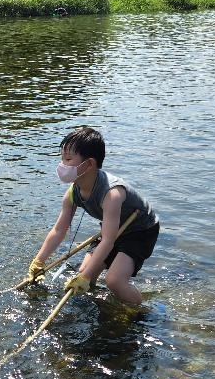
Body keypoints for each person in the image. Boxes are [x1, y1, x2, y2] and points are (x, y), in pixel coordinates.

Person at [27, 127, 159, 305]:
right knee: (84, 271)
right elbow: (59, 230)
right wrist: (39, 261)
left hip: (140, 230)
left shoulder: (112, 194)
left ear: (89, 164)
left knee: (114, 281)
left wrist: (84, 278)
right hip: (112, 229)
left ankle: (141, 312)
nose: (62, 165)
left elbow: (108, 241)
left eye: (68, 159)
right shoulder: (73, 193)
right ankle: (101, 306)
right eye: (61, 158)